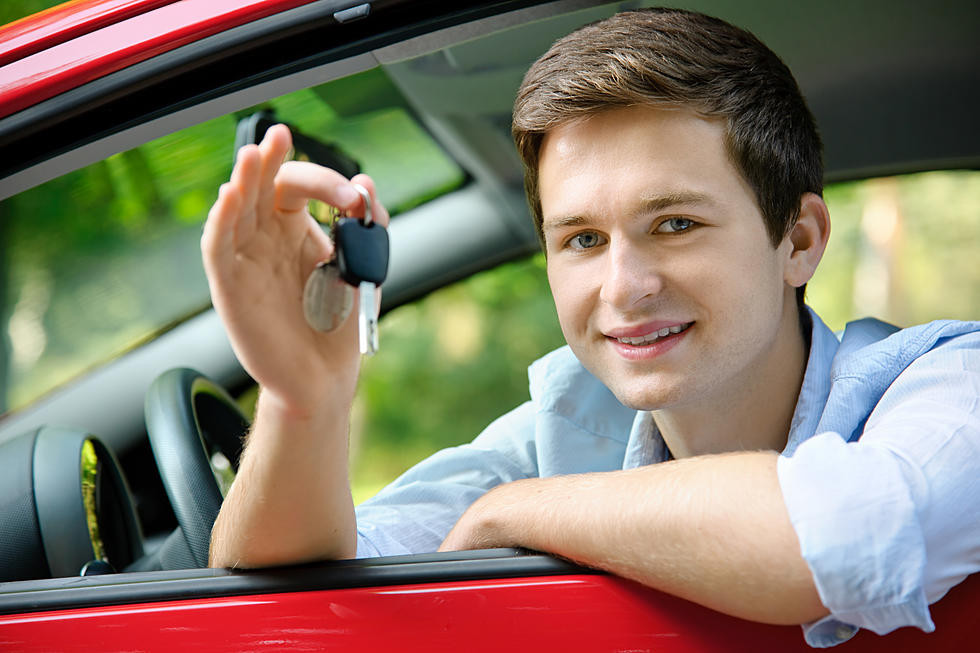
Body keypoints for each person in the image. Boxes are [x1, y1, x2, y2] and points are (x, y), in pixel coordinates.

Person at [202, 8, 980, 647]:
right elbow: (294, 588)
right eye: (582, 239)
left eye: (675, 223)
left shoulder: (949, 381)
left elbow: (842, 541)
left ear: (799, 241)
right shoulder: (560, 430)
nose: (624, 287)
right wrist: (300, 399)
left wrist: (512, 513)